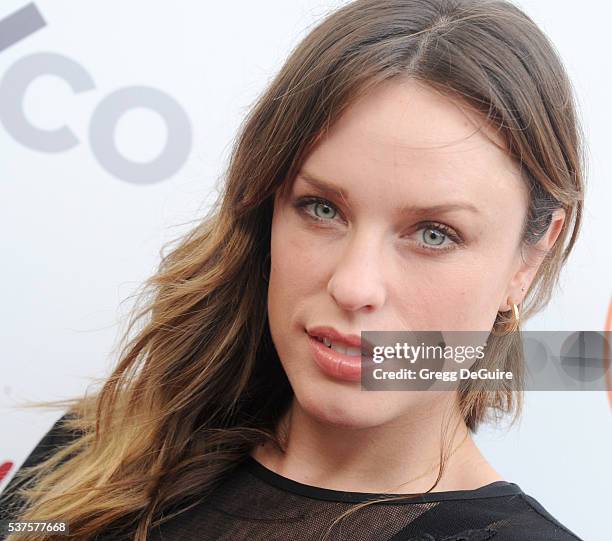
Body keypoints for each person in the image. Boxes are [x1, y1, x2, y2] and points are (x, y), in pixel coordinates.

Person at [0, 0, 586, 539]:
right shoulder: (90, 454)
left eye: (434, 235)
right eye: (322, 208)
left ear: (528, 258)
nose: (354, 285)